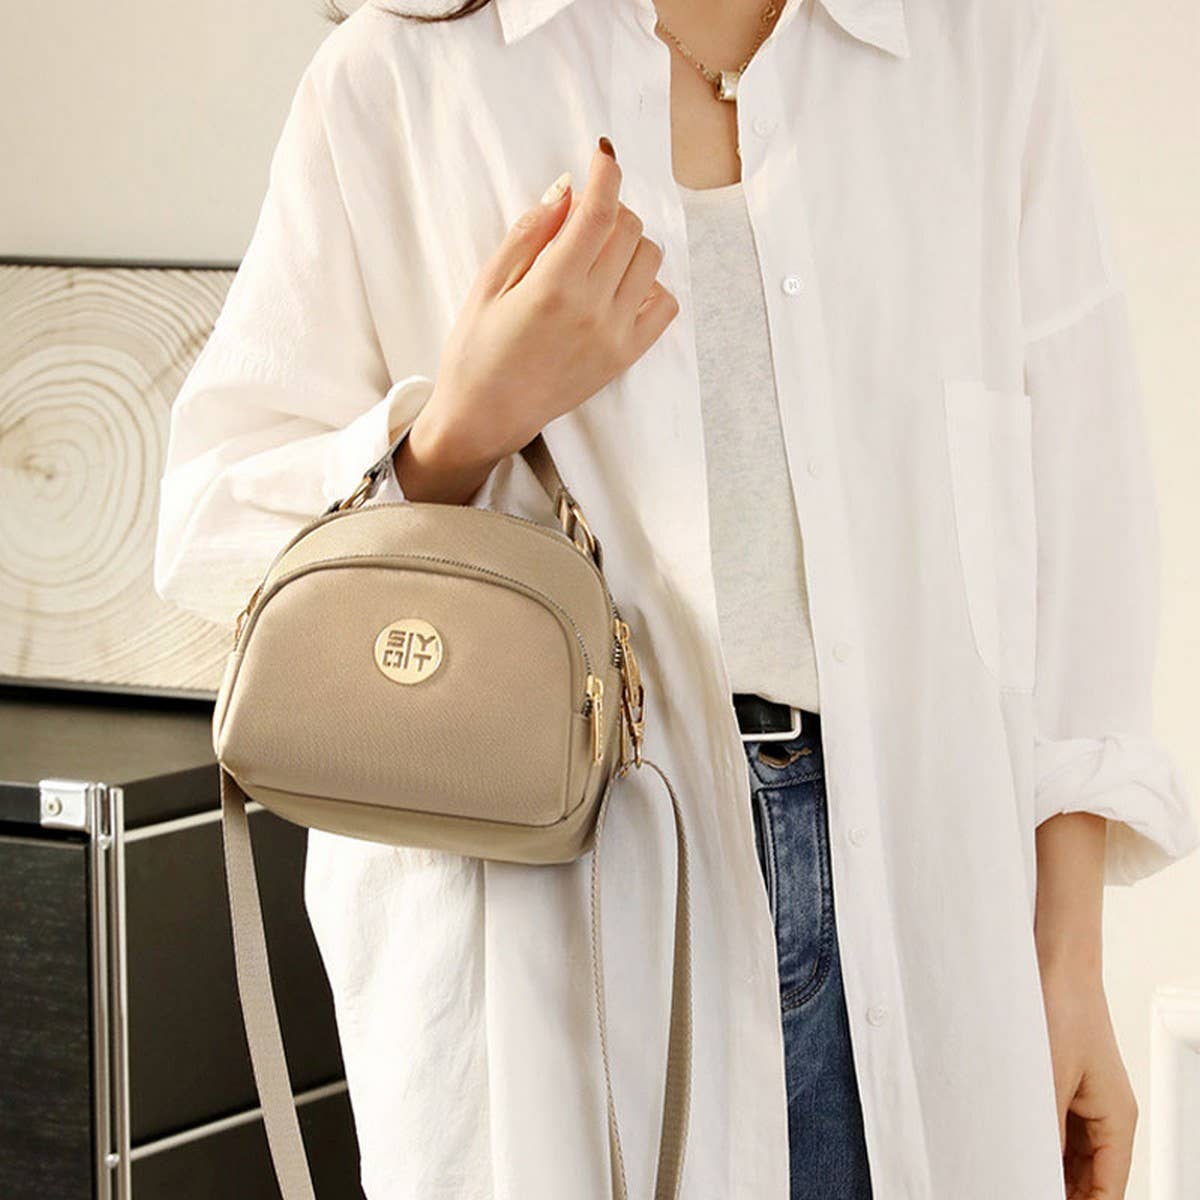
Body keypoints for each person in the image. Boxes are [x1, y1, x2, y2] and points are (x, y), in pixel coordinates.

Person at [153, 0, 1200, 1197]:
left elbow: (1076, 523)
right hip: (553, 934)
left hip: (928, 918)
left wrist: (1069, 967)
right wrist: (462, 424)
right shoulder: (400, 79)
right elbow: (215, 541)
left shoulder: (972, 48)